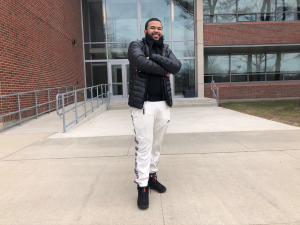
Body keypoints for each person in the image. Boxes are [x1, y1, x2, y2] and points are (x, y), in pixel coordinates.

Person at [127, 18, 181, 210]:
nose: (156, 31)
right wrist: (164, 71)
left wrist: (155, 59)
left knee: (156, 144)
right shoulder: (136, 45)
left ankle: (151, 176)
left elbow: (176, 67)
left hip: (163, 105)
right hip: (143, 105)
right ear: (145, 30)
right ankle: (142, 186)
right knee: (144, 145)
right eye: (152, 28)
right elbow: (139, 62)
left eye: (159, 28)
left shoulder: (165, 49)